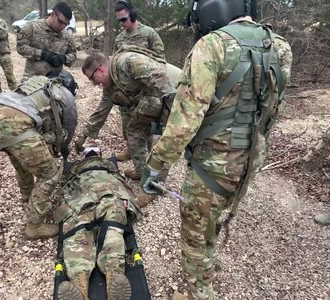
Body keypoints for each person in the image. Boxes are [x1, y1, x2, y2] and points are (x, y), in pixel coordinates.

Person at [140, 0, 293, 299]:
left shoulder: (212, 46)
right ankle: (208, 268)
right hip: (249, 163)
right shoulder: (281, 47)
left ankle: (200, 290)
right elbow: (274, 110)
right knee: (215, 218)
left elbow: (184, 121)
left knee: (195, 238)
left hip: (211, 169)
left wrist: (156, 166)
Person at [76, 47, 180, 207]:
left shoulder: (128, 62)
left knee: (164, 141)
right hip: (157, 96)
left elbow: (163, 81)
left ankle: (153, 186)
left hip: (176, 93)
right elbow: (102, 110)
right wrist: (84, 135)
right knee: (135, 131)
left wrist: (169, 121)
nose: (94, 84)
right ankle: (142, 172)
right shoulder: (110, 83)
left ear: (101, 69)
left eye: (92, 78)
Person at [0, 71, 78, 240]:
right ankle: (34, 226)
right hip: (14, 123)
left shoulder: (40, 82)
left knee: (20, 158)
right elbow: (69, 127)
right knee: (50, 173)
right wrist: (64, 148)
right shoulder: (66, 95)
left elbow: (42, 121)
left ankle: (27, 196)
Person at [54, 148, 141, 300]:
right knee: (113, 230)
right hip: (110, 193)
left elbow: (62, 185)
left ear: (84, 156)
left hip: (80, 197)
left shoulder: (76, 167)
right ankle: (114, 274)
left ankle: (79, 284)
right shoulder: (109, 166)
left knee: (78, 232)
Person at [112, 0, 166, 163]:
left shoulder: (149, 33)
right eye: (118, 20)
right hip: (127, 93)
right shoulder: (120, 38)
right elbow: (115, 61)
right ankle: (131, 149)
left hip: (146, 92)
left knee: (144, 129)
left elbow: (161, 60)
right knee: (127, 125)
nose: (121, 24)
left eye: (124, 19)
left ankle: (144, 159)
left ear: (133, 15)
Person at [16, 1, 77, 79]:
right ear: (52, 14)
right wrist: (41, 54)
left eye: (66, 24)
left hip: (55, 81)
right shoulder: (32, 27)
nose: (63, 26)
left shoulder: (66, 36)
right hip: (32, 79)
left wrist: (64, 58)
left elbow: (73, 54)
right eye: (60, 22)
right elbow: (21, 47)